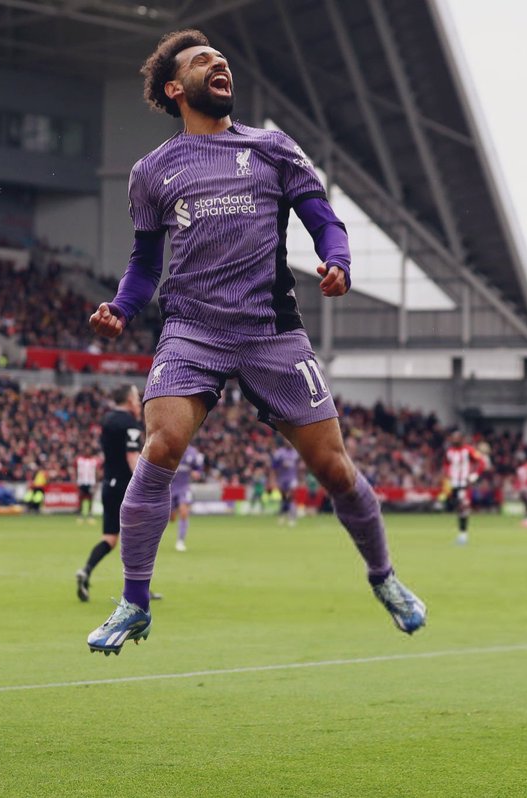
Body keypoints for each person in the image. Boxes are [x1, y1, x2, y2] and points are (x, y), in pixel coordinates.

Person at [83, 30, 425, 655]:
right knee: (159, 446)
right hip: (191, 330)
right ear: (173, 88)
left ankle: (384, 577)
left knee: (334, 469)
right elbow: (145, 264)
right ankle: (134, 602)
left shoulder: (272, 147)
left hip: (272, 333)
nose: (218, 63)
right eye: (201, 61)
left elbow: (324, 219)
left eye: (221, 58)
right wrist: (122, 309)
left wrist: (339, 261)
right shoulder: (152, 172)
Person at [75, 385, 143, 602]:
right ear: (129, 400)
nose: (139, 401)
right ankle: (139, 589)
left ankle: (86, 570)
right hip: (126, 486)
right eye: (136, 397)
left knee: (110, 538)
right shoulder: (130, 424)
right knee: (140, 537)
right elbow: (132, 457)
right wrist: (145, 483)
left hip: (109, 485)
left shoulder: (107, 420)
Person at [444, 430, 489, 545]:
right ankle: (461, 534)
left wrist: (475, 475)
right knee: (458, 508)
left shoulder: (468, 450)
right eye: (453, 438)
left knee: (462, 507)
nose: (454, 440)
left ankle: (463, 535)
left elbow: (481, 462)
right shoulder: (449, 451)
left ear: (461, 439)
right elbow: (446, 464)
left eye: (457, 438)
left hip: (464, 483)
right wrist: (448, 474)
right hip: (454, 483)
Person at [171, 444, 204, 551]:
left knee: (184, 512)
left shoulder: (193, 453)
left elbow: (199, 470)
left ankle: (180, 541)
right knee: (171, 518)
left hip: (184, 487)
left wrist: (196, 473)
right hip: (170, 487)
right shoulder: (172, 448)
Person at [271, 443, 301, 526]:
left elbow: (298, 466)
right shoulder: (280, 453)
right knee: (284, 498)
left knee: (291, 497)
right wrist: (274, 478)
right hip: (282, 479)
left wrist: (299, 478)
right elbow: (274, 466)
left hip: (292, 479)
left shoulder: (295, 453)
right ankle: (282, 515)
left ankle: (292, 518)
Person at [75, 451, 100, 522]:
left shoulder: (94, 461)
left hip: (90, 482)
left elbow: (97, 471)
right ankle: (80, 514)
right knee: (81, 498)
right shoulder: (79, 460)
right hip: (82, 482)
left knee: (90, 499)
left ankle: (90, 515)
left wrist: (96, 482)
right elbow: (76, 470)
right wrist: (76, 481)